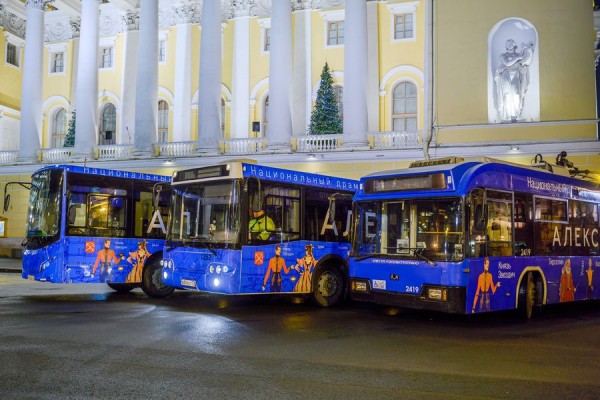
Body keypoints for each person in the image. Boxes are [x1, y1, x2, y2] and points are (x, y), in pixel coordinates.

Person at [494, 39, 535, 121]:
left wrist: (528, 48)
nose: (509, 46)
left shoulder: (519, 55)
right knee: (507, 94)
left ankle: (516, 114)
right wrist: (518, 57)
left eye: (510, 44)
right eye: (507, 44)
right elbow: (507, 63)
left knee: (517, 94)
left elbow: (527, 61)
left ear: (514, 45)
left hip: (516, 74)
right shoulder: (503, 55)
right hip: (506, 74)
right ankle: (508, 115)